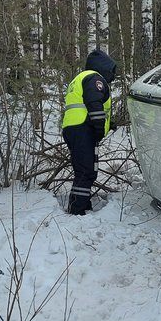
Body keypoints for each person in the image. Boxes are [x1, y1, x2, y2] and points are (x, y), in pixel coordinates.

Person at [61, 48, 116, 215]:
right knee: (86, 171)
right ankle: (77, 209)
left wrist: (109, 124)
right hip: (84, 129)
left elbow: (85, 105)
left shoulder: (81, 78)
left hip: (74, 128)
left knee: (85, 170)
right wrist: (99, 128)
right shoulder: (95, 78)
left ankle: (82, 204)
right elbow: (95, 105)